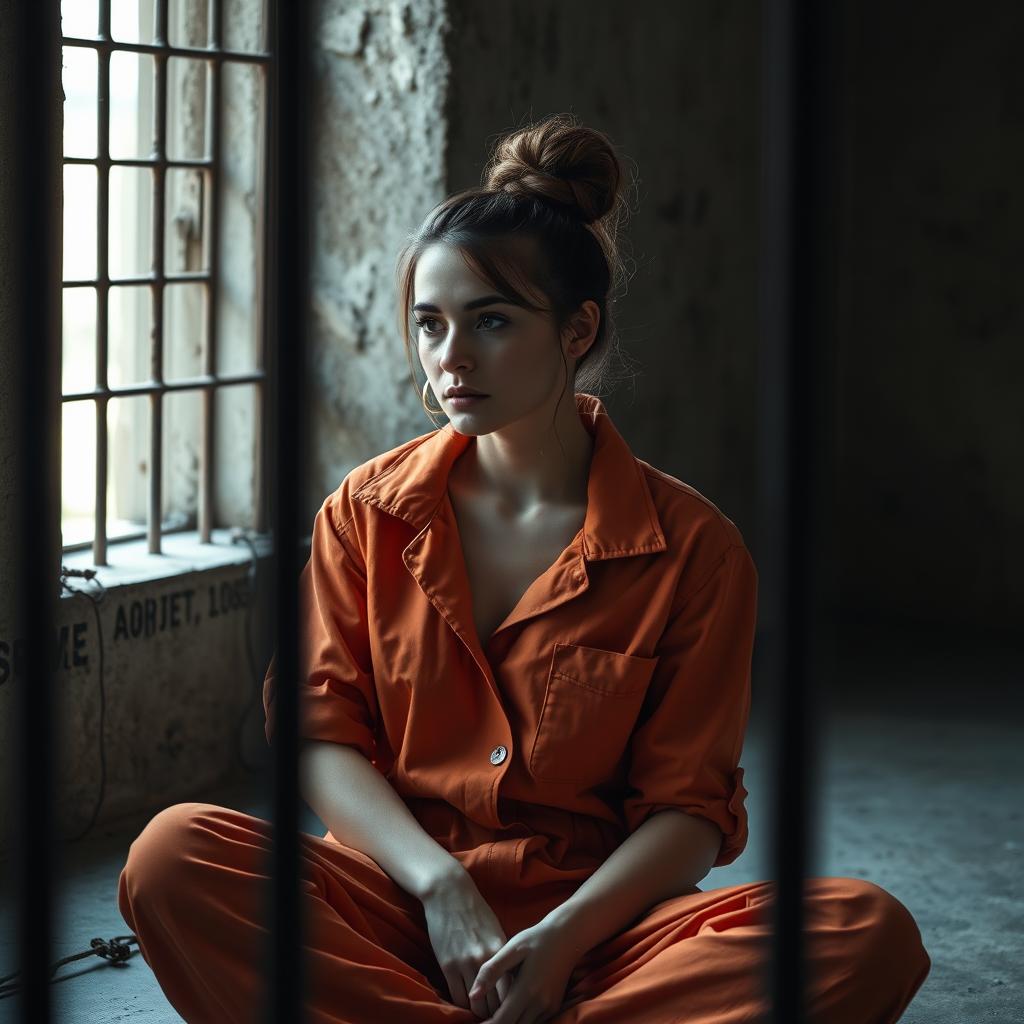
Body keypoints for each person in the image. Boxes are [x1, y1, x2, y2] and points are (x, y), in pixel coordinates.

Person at [117, 113, 931, 1023]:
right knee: (173, 854)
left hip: (608, 937)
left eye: (491, 321)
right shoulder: (365, 514)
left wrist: (563, 939)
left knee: (867, 932)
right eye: (430, 325)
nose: (450, 359)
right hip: (392, 907)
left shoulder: (695, 550)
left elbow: (689, 812)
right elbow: (320, 737)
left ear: (576, 329)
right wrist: (440, 888)